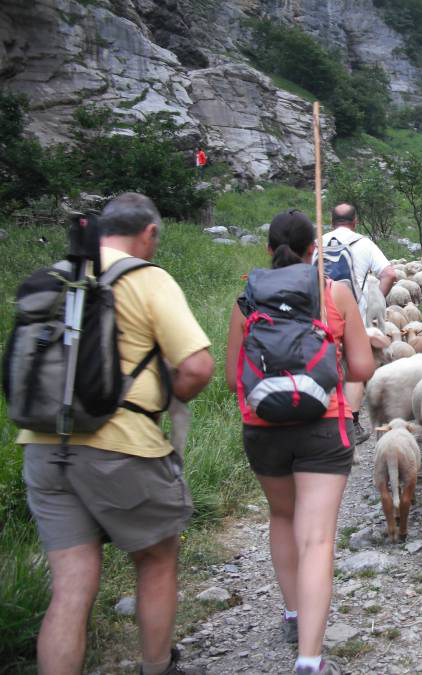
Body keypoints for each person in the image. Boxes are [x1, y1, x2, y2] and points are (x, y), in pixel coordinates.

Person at [18, 192, 215, 675]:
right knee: (154, 560)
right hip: (122, 446)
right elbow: (197, 367)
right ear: (148, 233)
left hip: (45, 448)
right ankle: (156, 667)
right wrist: (166, 394)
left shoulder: (59, 274)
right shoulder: (146, 278)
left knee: (70, 589)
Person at [225, 210, 375, 675]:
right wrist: (342, 395)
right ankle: (309, 659)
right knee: (316, 538)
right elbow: (363, 368)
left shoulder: (247, 299)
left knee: (282, 515)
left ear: (268, 248)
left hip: (263, 428)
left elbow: (235, 375)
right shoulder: (334, 292)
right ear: (316, 249)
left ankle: (291, 612)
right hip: (322, 427)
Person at [322, 203, 396, 442]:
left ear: (331, 221)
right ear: (355, 221)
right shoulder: (364, 243)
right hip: (355, 313)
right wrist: (376, 300)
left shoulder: (318, 242)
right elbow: (390, 274)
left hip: (320, 315)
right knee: (353, 368)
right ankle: (352, 423)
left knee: (323, 361)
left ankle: (323, 415)